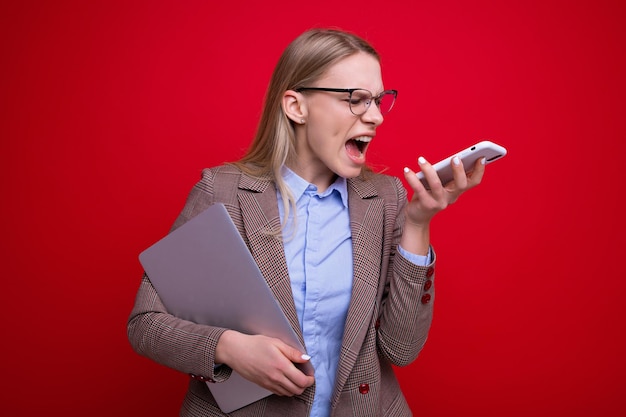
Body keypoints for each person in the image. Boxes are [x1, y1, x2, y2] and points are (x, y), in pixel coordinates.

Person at [127, 27, 485, 417]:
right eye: (357, 100)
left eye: (380, 101)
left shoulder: (387, 200)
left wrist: (417, 224)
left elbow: (402, 349)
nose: (377, 116)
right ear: (296, 106)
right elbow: (145, 325)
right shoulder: (222, 192)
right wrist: (228, 347)